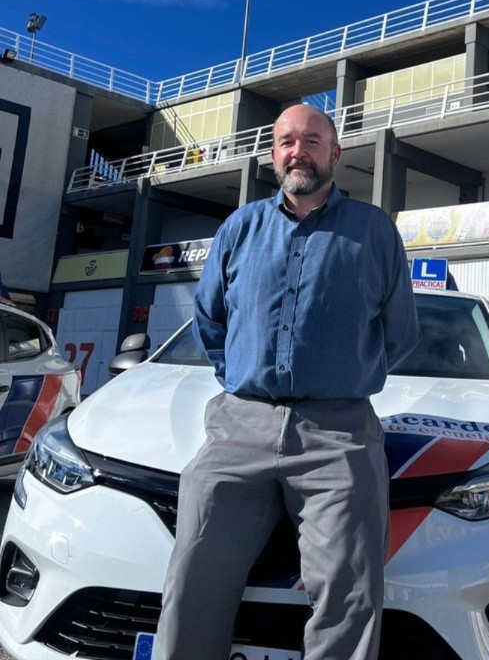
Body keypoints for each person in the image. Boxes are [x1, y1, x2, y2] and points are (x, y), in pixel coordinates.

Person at [155, 103, 420, 660]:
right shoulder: (239, 228)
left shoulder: (373, 231)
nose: (298, 151)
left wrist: (338, 374)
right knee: (192, 577)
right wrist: (244, 379)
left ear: (336, 154)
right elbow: (210, 321)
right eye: (286, 141)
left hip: (339, 432)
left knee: (348, 592)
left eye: (312, 141)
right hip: (238, 429)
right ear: (274, 154)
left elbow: (400, 333)